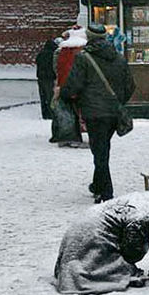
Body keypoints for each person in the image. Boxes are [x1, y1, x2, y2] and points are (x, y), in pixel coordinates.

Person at [58, 23, 134, 203]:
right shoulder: (119, 59)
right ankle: (97, 184)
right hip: (112, 112)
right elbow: (130, 85)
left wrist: (66, 96)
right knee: (102, 148)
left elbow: (73, 86)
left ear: (89, 38)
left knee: (100, 151)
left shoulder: (83, 59)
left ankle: (105, 192)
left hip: (93, 112)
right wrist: (117, 102)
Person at [54, 191, 149, 294]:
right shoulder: (147, 214)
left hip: (80, 232)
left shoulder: (142, 199)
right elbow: (132, 251)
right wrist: (145, 239)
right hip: (93, 236)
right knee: (108, 266)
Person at [52, 27, 88, 147]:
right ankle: (76, 135)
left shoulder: (60, 52)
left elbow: (56, 68)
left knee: (65, 111)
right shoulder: (84, 52)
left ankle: (67, 135)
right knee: (82, 111)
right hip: (81, 86)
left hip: (63, 85)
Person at [35, 39, 58, 120]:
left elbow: (37, 62)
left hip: (40, 78)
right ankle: (50, 115)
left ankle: (44, 114)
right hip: (50, 78)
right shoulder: (52, 54)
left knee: (43, 97)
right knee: (50, 97)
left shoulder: (41, 54)